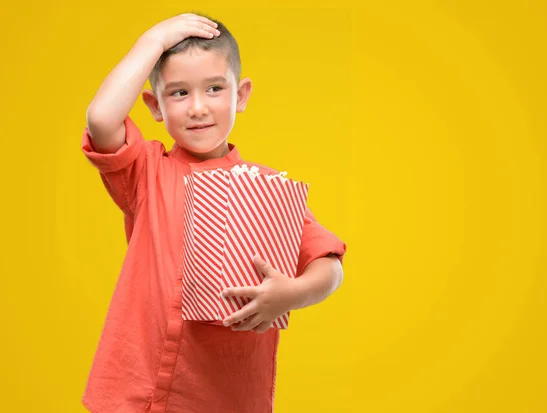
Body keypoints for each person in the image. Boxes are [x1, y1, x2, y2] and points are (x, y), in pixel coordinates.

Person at [80, 11, 347, 413]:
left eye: (214, 89)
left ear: (241, 95)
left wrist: (291, 293)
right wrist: (152, 41)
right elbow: (101, 118)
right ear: (155, 105)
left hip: (223, 397)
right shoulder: (145, 171)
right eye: (179, 93)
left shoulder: (268, 189)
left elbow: (329, 266)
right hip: (134, 394)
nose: (198, 108)